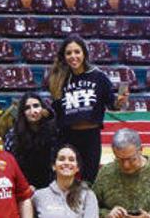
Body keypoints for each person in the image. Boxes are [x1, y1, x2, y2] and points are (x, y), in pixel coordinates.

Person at [49, 35, 128, 183]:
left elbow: (112, 105)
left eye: (77, 52)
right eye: (69, 53)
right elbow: (57, 110)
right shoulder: (59, 79)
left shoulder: (98, 77)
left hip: (91, 136)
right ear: (64, 56)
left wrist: (120, 101)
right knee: (64, 177)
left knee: (89, 179)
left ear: (84, 53)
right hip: (67, 136)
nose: (73, 56)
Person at [4, 92, 59, 189]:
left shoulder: (54, 132)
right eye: (27, 108)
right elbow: (8, 163)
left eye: (36, 106)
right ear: (23, 112)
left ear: (43, 109)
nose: (32, 110)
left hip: (50, 186)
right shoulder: (13, 134)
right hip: (23, 186)